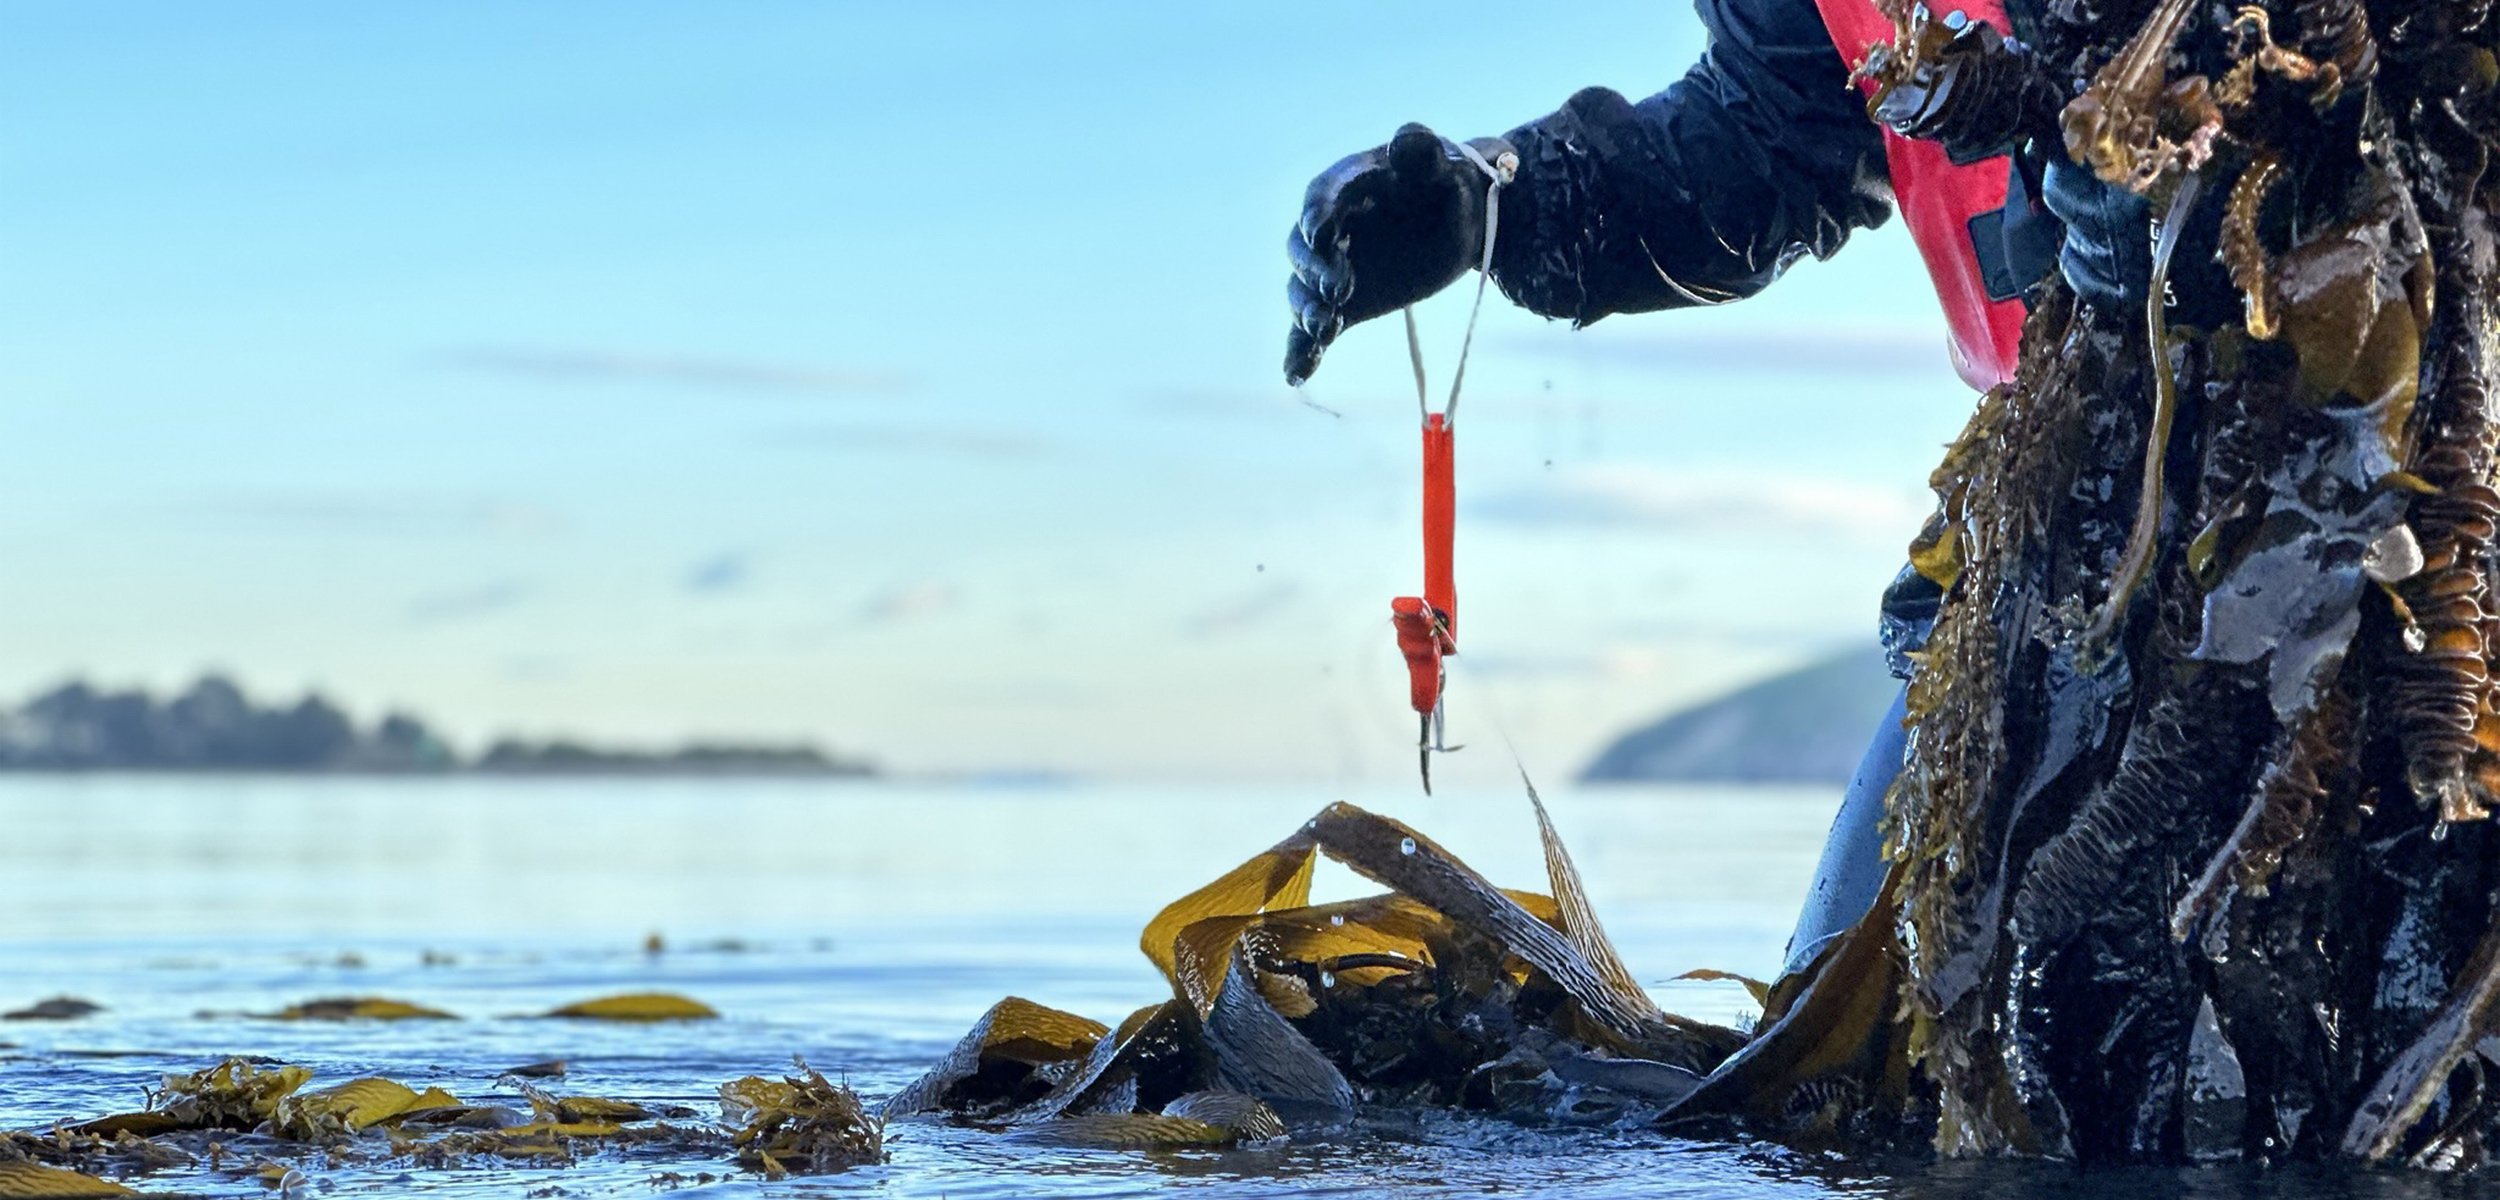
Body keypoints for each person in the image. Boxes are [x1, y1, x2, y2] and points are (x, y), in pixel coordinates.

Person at [1279, 0, 2213, 981]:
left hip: (2305, 512)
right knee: (1842, 1030)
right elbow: (1765, 128)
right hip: (2035, 526)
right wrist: (1501, 201)